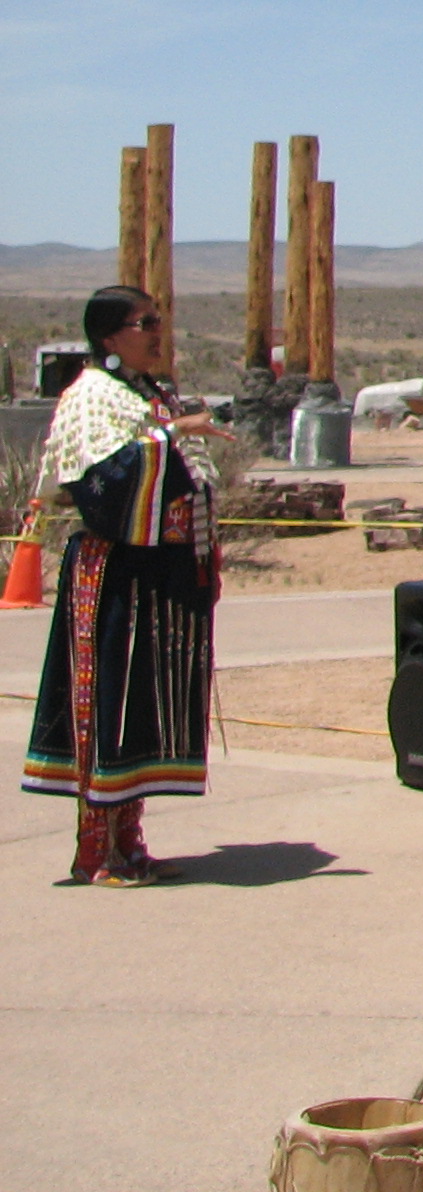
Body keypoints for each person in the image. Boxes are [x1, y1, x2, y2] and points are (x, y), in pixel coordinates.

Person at [21, 286, 230, 884]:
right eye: (145, 323)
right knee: (105, 702)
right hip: (114, 572)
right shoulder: (90, 396)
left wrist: (202, 546)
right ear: (110, 337)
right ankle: (95, 848)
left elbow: (184, 478)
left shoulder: (149, 393)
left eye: (160, 321)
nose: (157, 332)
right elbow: (101, 483)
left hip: (158, 574)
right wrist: (169, 436)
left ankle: (130, 838)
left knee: (141, 705)